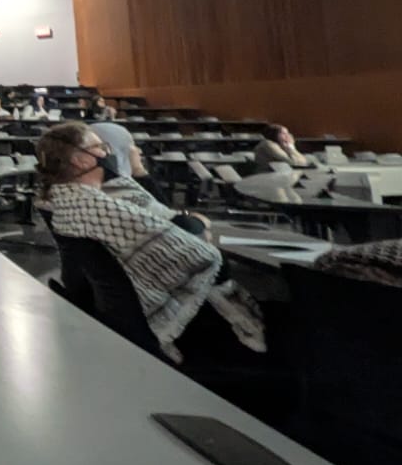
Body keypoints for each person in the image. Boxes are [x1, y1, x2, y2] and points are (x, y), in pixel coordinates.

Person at [35, 122, 265, 363]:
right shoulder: (98, 208)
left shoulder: (71, 200)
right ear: (81, 160)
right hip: (156, 321)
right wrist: (194, 224)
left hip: (118, 313)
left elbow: (162, 222)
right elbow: (196, 254)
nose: (107, 154)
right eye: (101, 147)